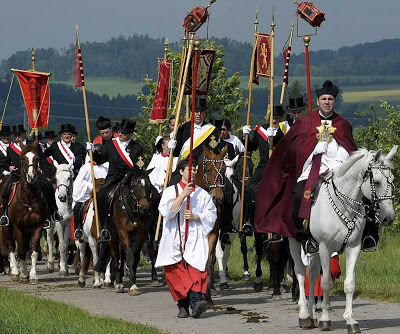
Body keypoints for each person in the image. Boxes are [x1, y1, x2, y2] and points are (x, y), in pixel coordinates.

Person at [254, 80, 359, 256]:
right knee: (297, 194)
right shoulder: (305, 123)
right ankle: (303, 235)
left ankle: (367, 234)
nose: (327, 102)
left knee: (364, 194)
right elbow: (294, 151)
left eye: (330, 99)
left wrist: (340, 159)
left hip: (337, 170)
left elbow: (350, 149)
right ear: (317, 102)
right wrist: (312, 150)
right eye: (324, 99)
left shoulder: (343, 124)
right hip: (312, 169)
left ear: (334, 101)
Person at [155, 159, 217, 319]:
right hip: (174, 235)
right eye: (189, 169)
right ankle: (183, 305)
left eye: (195, 169)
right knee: (175, 272)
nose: (193, 172)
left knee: (197, 269)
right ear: (181, 172)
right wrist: (183, 195)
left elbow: (211, 214)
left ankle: (197, 302)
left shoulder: (202, 194)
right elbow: (166, 212)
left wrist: (197, 216)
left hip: (195, 236)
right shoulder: (170, 191)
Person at [0, 124, 62, 227]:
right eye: (15, 135)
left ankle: (53, 212)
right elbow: (5, 161)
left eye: (19, 135)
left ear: (24, 134)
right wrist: (9, 167)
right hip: (17, 174)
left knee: (48, 187)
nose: (17, 137)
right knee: (6, 189)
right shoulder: (11, 147)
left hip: (34, 172)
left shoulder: (33, 145)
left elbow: (42, 160)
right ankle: (5, 214)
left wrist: (46, 175)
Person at [96, 119, 146, 241]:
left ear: (130, 134)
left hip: (130, 179)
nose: (122, 135)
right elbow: (101, 160)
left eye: (125, 133)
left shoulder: (137, 147)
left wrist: (132, 175)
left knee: (148, 196)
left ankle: (146, 228)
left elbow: (139, 165)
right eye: (121, 132)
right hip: (113, 178)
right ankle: (105, 227)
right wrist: (93, 152)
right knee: (100, 196)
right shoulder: (111, 144)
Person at [241, 104, 286, 237]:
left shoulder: (284, 131)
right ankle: (247, 222)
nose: (274, 121)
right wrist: (245, 136)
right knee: (249, 189)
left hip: (279, 167)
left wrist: (277, 137)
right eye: (272, 118)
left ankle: (279, 223)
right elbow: (251, 147)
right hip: (264, 165)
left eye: (277, 118)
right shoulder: (261, 130)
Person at [72, 144, 109, 241]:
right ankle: (78, 229)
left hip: (104, 195)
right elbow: (79, 183)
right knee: (77, 208)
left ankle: (107, 229)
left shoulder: (107, 167)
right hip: (87, 195)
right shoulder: (87, 167)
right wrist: (91, 186)